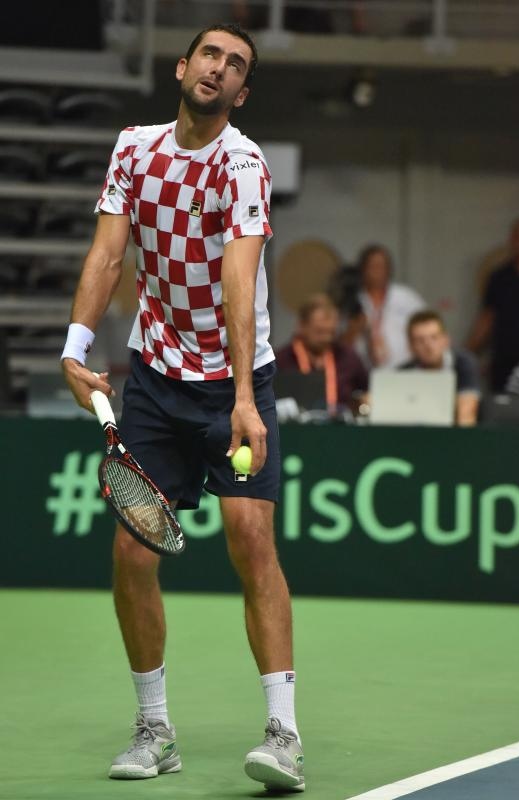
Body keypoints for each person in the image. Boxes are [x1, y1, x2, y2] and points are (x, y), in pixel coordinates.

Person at [60, 24, 304, 793]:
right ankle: (153, 727)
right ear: (182, 66)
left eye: (236, 65)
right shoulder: (134, 148)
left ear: (242, 91)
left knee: (249, 539)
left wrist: (240, 397)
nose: (219, 69)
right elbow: (108, 252)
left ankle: (283, 734)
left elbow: (239, 278)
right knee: (133, 552)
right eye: (210, 55)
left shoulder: (243, 164)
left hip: (236, 378)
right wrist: (74, 348)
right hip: (157, 380)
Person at [466, 217, 519, 392]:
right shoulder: (499, 277)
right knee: (503, 409)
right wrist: (467, 354)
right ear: (512, 240)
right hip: (505, 360)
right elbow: (487, 318)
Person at [275, 293, 368, 415]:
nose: (326, 338)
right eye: (319, 332)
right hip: (294, 431)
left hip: (342, 430)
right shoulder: (280, 360)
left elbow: (367, 392)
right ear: (301, 326)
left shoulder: (349, 358)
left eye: (331, 332)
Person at [341, 244, 426, 368]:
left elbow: (427, 327)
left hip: (404, 369)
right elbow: (340, 345)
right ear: (363, 269)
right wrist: (354, 329)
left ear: (389, 269)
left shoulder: (406, 297)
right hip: (363, 373)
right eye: (372, 266)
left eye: (382, 266)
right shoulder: (352, 301)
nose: (377, 271)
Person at [400, 310, 481, 426]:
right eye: (420, 340)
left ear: (446, 339)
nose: (428, 345)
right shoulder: (402, 374)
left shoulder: (463, 363)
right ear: (410, 346)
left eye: (434, 337)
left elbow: (467, 415)